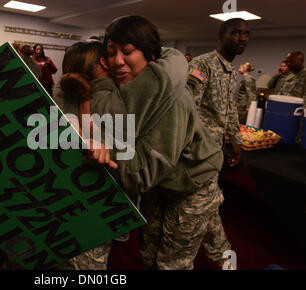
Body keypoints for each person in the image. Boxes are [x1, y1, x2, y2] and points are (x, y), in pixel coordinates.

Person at [56, 16, 225, 270]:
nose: (117, 61)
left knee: (172, 262)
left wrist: (103, 147)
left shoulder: (172, 99)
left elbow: (140, 175)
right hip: (158, 183)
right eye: (111, 53)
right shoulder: (125, 87)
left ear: (149, 54)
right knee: (149, 252)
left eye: (127, 52)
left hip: (190, 182)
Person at [187, 18, 250, 268]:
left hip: (214, 153)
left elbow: (229, 108)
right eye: (236, 33)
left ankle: (222, 254)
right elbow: (187, 109)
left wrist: (235, 139)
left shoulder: (230, 70)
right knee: (203, 204)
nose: (243, 38)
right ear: (221, 35)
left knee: (210, 202)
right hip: (197, 154)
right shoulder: (202, 64)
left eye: (246, 33)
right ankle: (222, 255)